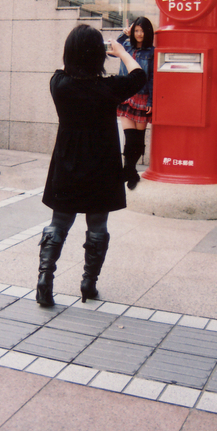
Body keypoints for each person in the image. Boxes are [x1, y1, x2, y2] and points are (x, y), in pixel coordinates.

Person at [37, 24, 146, 307]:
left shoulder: (59, 84)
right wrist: (121, 51)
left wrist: (76, 52)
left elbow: (64, 66)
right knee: (97, 223)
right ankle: (88, 283)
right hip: (102, 165)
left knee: (59, 222)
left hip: (67, 163)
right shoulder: (109, 88)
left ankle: (45, 280)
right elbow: (139, 75)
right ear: (99, 55)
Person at [116, 17, 155, 190]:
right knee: (129, 137)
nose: (139, 34)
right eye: (136, 31)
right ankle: (130, 171)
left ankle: (129, 170)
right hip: (126, 95)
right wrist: (123, 35)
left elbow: (153, 78)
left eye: (142, 31)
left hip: (142, 97)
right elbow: (112, 49)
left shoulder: (152, 52)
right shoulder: (126, 47)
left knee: (138, 141)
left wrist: (151, 100)